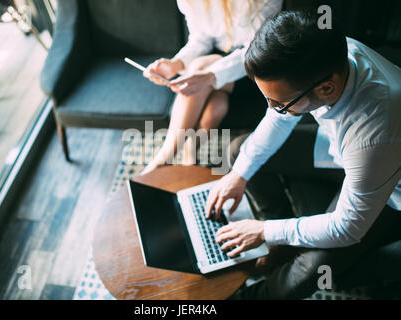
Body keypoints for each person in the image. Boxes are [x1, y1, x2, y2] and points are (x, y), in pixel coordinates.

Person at [205, 11, 401, 299]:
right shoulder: (327, 53)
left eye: (279, 102)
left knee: (311, 270)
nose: (271, 108)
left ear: (325, 88)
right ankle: (280, 249)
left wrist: (265, 230)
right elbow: (278, 119)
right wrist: (239, 174)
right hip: (343, 152)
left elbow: (346, 228)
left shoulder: (374, 133)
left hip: (391, 190)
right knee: (240, 153)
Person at [140, 0, 283, 174]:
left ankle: (163, 159)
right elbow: (201, 40)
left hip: (255, 66)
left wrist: (211, 76)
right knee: (216, 107)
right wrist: (176, 64)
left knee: (200, 67)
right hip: (218, 59)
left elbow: (257, 48)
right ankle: (189, 160)